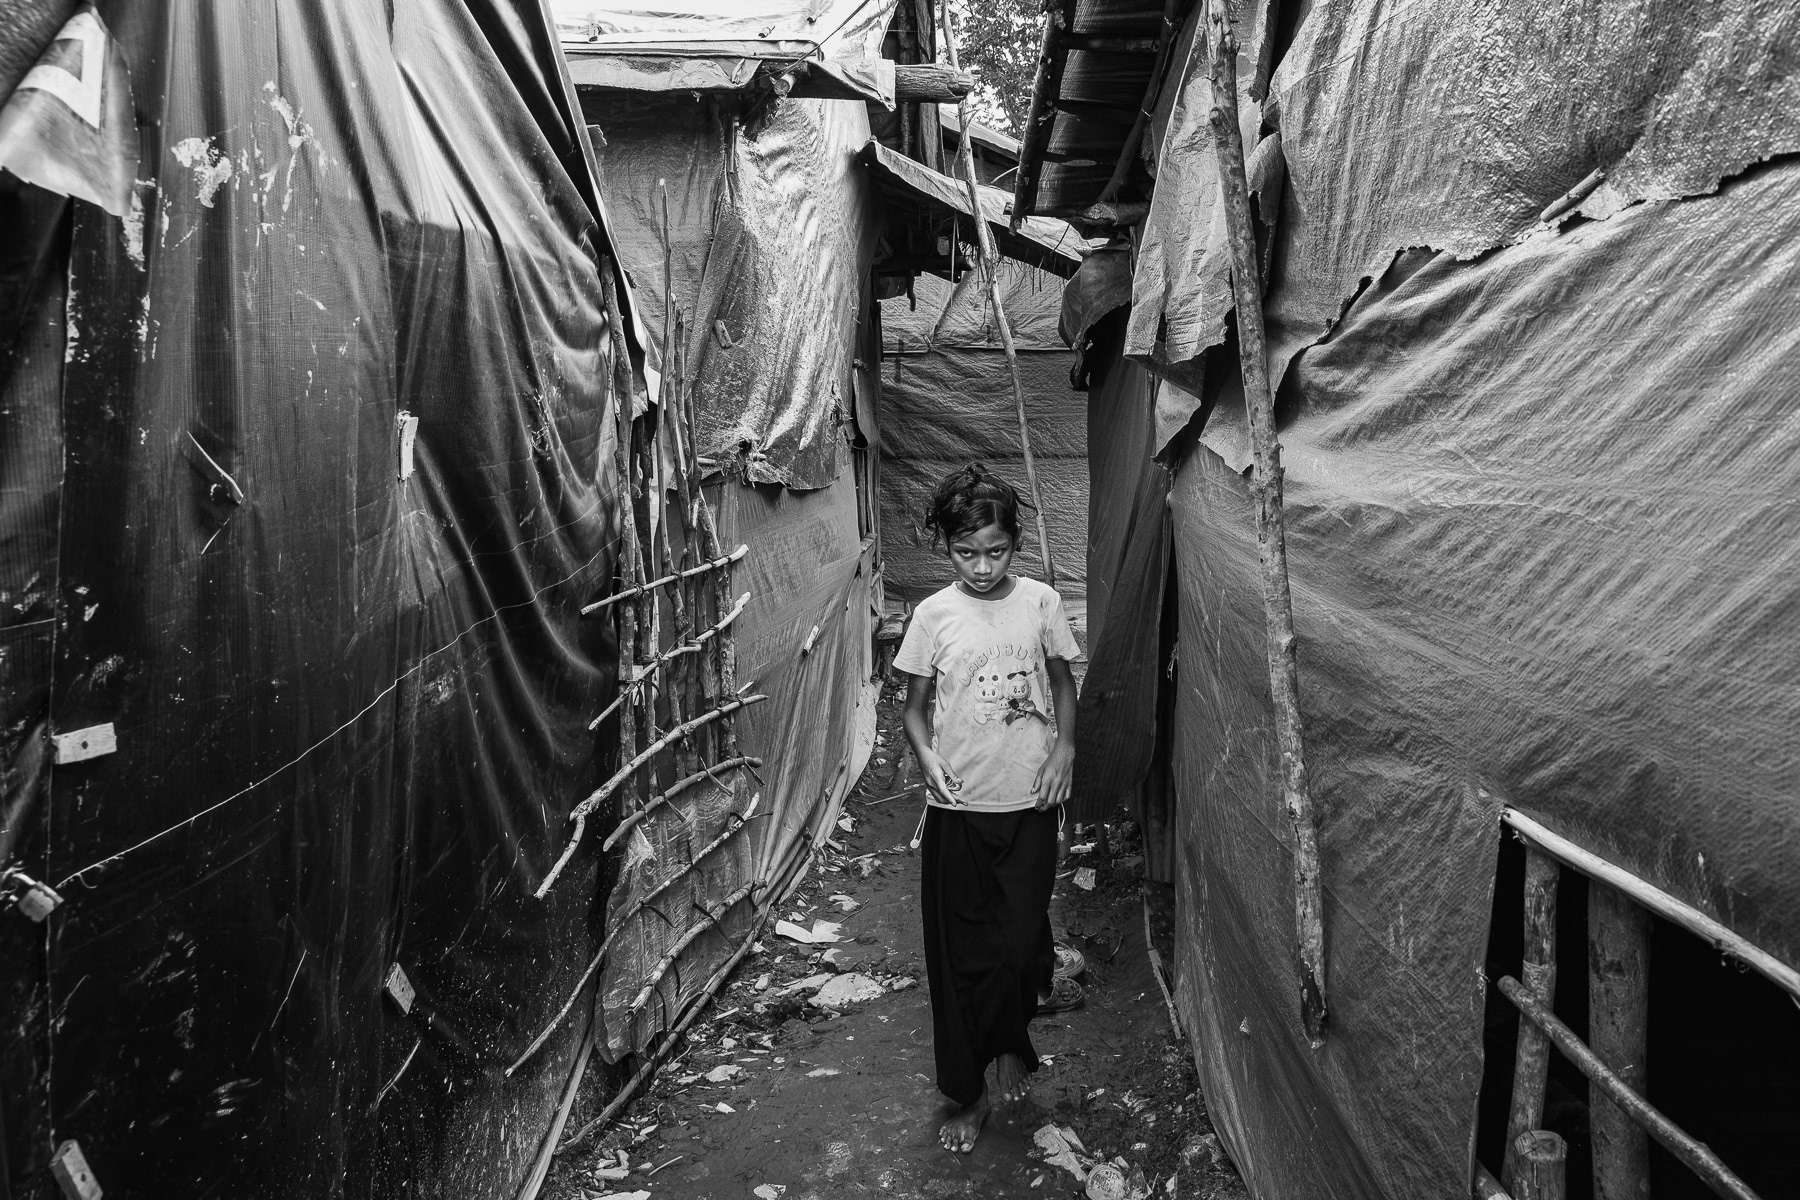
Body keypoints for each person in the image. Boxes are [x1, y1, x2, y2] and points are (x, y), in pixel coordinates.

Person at [893, 463, 1084, 1155]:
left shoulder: (1040, 603)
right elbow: (914, 710)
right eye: (965, 553)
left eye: (996, 551)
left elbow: (1062, 682)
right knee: (961, 957)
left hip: (1030, 801)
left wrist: (1064, 748)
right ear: (945, 548)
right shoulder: (932, 616)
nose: (981, 567)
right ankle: (969, 1093)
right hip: (958, 809)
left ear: (1015, 544)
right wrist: (926, 758)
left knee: (1021, 945)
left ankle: (1011, 1037)